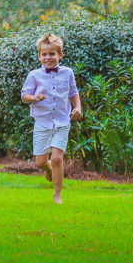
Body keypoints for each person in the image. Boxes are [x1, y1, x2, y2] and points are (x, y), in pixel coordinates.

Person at [20, 33, 83, 204]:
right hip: (42, 122)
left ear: (60, 55)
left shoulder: (68, 73)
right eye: (44, 54)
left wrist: (78, 107)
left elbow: (73, 93)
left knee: (56, 158)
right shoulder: (34, 75)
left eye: (52, 54)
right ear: (39, 56)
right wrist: (34, 98)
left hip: (62, 122)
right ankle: (47, 169)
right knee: (40, 162)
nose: (48, 58)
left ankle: (57, 194)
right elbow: (24, 95)